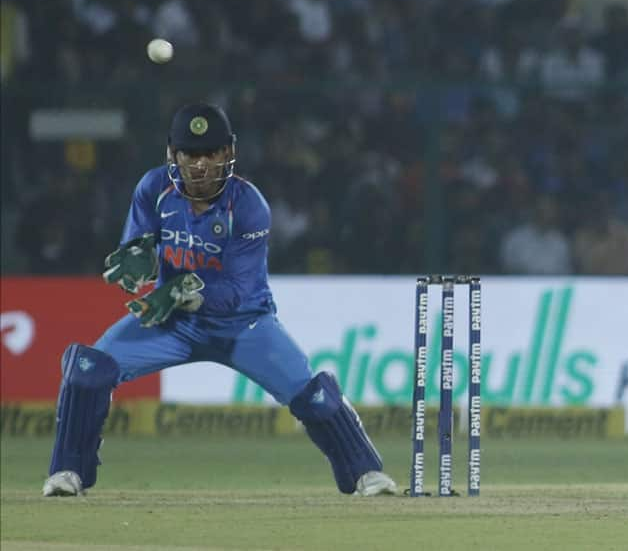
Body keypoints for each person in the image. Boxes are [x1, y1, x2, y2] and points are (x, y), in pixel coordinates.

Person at [43, 103, 397, 498]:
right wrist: (136, 263)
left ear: (228, 153)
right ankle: (67, 472)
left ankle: (367, 473)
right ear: (172, 155)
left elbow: (235, 293)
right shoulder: (152, 188)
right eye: (190, 154)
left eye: (210, 153)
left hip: (244, 326)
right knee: (89, 368)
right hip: (172, 323)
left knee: (313, 395)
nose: (200, 165)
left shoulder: (248, 206)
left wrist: (183, 292)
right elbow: (135, 249)